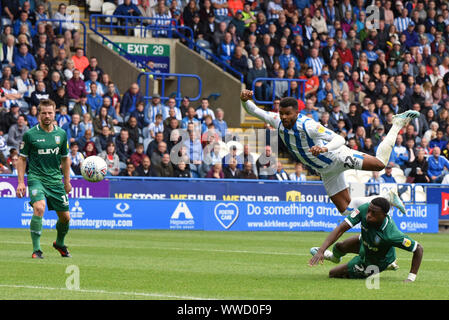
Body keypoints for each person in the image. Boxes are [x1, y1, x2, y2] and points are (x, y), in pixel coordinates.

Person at [240, 89, 419, 215]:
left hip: (338, 157)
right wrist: (244, 99)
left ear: (296, 113)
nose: (284, 117)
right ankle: (386, 198)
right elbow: (254, 110)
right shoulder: (276, 120)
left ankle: (396, 124)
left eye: (287, 114)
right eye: (281, 113)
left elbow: (339, 139)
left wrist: (324, 148)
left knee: (380, 164)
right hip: (326, 171)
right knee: (346, 210)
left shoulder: (308, 125)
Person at [309, 197, 423, 282]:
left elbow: (418, 248)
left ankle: (388, 264)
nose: (368, 215)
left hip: (375, 260)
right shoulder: (365, 209)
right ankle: (332, 257)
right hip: (365, 242)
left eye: (374, 213)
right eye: (369, 210)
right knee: (339, 246)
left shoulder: (391, 235)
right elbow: (341, 228)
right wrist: (321, 250)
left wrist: (411, 278)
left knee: (333, 273)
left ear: (384, 215)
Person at [16, 99, 72, 259]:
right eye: (44, 113)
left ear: (55, 114)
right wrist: (21, 182)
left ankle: (59, 244)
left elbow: (65, 158)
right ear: (38, 114)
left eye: (50, 113)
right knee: (39, 208)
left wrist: (67, 181)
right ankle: (37, 249)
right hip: (36, 178)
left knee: (65, 217)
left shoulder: (61, 134)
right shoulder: (30, 134)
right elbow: (21, 159)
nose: (47, 116)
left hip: (55, 180)